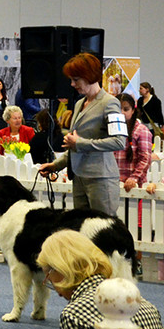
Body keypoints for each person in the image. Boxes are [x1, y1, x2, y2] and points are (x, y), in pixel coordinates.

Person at [37, 230, 164, 329]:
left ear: (59, 269)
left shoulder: (73, 315)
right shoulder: (145, 305)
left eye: (49, 279)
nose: (55, 290)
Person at [38, 53, 127, 216]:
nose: (72, 84)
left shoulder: (110, 103)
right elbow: (74, 146)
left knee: (102, 231)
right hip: (78, 178)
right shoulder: (79, 103)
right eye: (71, 79)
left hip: (101, 179)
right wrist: (55, 166)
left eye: (76, 79)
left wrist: (80, 143)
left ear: (90, 76)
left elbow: (119, 141)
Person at [115, 93, 154, 192]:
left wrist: (134, 178)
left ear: (133, 110)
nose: (121, 113)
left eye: (126, 109)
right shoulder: (108, 130)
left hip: (134, 186)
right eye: (118, 109)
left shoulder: (142, 130)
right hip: (112, 183)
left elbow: (145, 159)